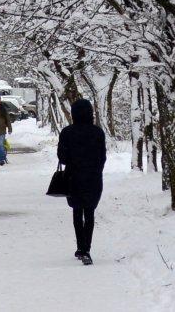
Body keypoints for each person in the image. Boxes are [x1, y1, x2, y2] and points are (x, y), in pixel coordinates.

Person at [57, 98, 107, 265]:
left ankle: (81, 247)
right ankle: (86, 248)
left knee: (77, 212)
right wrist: (95, 170)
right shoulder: (98, 132)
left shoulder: (67, 132)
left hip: (73, 177)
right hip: (93, 177)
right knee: (90, 212)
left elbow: (62, 158)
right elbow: (102, 157)